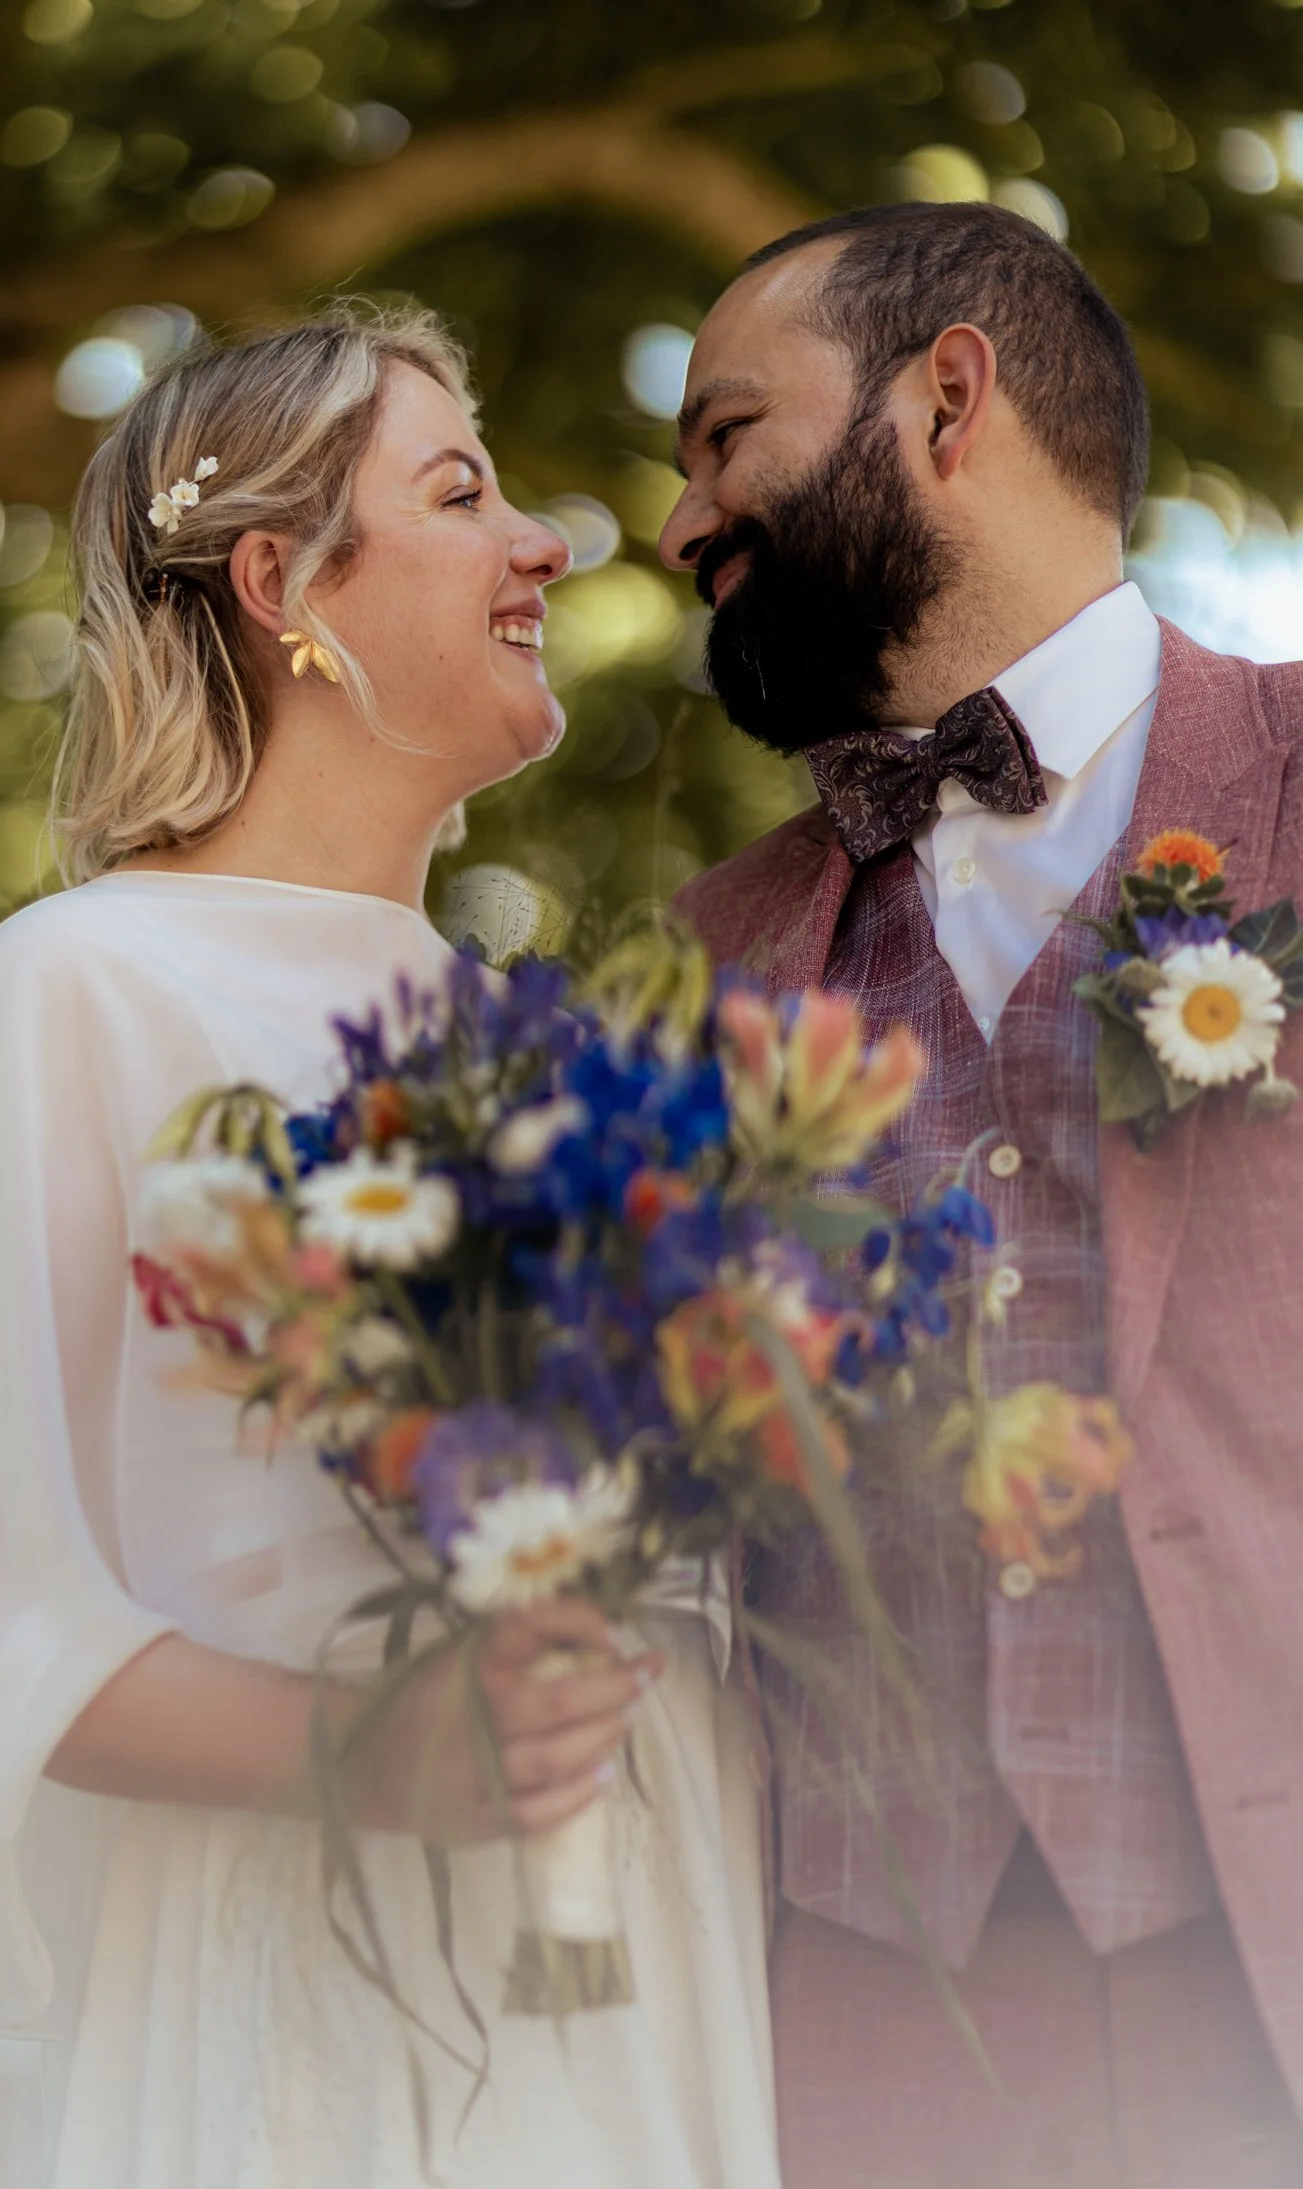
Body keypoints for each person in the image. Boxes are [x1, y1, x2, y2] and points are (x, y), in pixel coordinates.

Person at [0, 303, 781, 2189]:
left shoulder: (538, 1048)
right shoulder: (74, 994)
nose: (547, 545)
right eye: (462, 491)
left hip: (637, 1971)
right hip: (310, 2003)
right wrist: (374, 1748)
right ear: (284, 583)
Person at [663, 201, 1303, 2189]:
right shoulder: (714, 955)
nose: (684, 523)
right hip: (854, 1996)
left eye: (724, 434)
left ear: (949, 397)